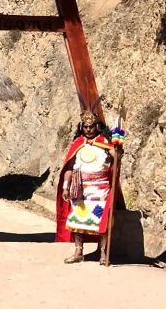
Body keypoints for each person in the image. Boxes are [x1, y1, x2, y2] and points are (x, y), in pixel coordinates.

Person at [56, 105, 123, 265]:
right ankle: (78, 252)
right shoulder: (78, 143)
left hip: (101, 190)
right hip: (80, 189)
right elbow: (69, 168)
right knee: (78, 221)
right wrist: (66, 186)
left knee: (102, 220)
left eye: (91, 126)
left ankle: (103, 254)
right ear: (81, 127)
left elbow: (116, 159)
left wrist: (117, 150)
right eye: (85, 127)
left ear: (97, 126)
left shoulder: (106, 142)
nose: (88, 130)